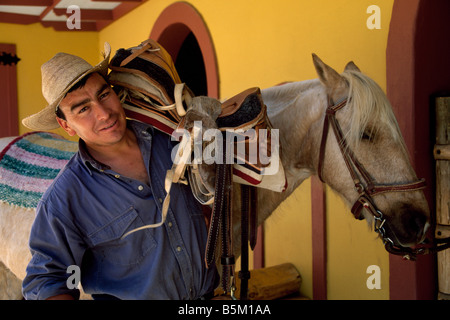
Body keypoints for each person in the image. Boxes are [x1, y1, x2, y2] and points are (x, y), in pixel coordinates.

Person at [21, 43, 218, 300]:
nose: (104, 114)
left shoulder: (170, 140)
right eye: (83, 109)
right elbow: (46, 279)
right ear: (65, 125)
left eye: (103, 95)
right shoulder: (64, 198)